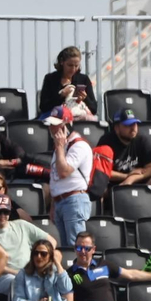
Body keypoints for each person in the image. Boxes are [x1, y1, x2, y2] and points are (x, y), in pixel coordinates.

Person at [44, 106, 95, 248]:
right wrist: (54, 203)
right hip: (62, 202)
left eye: (56, 125)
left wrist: (59, 148)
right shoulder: (60, 147)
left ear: (66, 125)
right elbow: (56, 179)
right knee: (67, 248)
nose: (52, 129)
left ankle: (79, 271)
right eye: (51, 125)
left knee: (76, 246)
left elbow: (64, 172)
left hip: (74, 200)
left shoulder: (79, 146)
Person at [0, 194, 56, 294]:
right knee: (17, 281)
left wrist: (40, 264)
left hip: (32, 272)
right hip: (5, 277)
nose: (2, 215)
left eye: (6, 212)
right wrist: (20, 273)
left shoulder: (22, 225)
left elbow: (51, 242)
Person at [98, 107, 151, 203]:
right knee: (99, 188)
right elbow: (102, 171)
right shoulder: (106, 141)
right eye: (128, 125)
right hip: (113, 184)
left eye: (135, 124)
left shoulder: (141, 140)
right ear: (117, 128)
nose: (133, 128)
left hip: (138, 182)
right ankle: (101, 217)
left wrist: (131, 179)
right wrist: (125, 177)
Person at [37, 45, 96, 118]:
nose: (73, 69)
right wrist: (61, 96)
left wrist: (85, 99)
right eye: (70, 65)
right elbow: (44, 107)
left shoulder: (83, 79)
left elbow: (94, 109)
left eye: (76, 66)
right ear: (62, 62)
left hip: (76, 116)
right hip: (55, 116)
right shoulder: (50, 79)